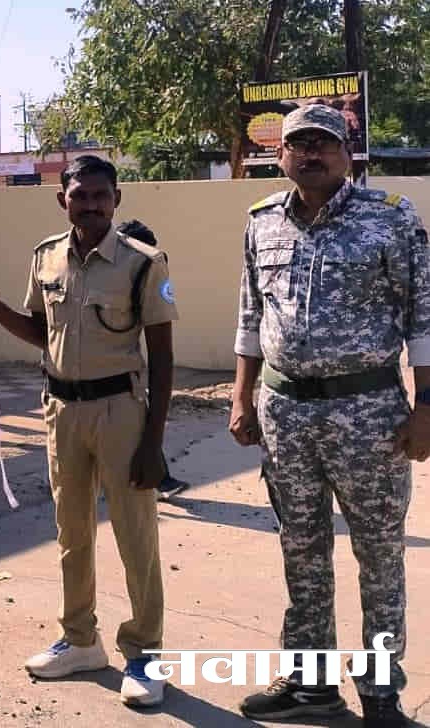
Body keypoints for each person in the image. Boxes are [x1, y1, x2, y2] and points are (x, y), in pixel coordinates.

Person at [0, 155, 176, 708]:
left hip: (120, 412)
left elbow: (163, 357)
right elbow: (39, 331)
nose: (91, 205)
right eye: (80, 196)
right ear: (63, 200)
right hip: (62, 410)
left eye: (101, 195)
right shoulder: (45, 257)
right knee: (72, 533)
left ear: (116, 199)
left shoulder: (143, 262)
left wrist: (154, 442)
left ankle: (145, 654)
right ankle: (80, 640)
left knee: (136, 537)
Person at [231, 105, 428, 728]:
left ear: (348, 153)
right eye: (299, 143)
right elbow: (251, 317)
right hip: (286, 414)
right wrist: (241, 396)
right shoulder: (262, 221)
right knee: (302, 551)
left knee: (379, 555)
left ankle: (381, 695)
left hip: (368, 415)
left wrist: (426, 409)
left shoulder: (390, 219)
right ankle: (310, 686)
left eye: (324, 142)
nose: (311, 153)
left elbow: (423, 320)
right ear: (281, 154)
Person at [115, 220, 190, 500]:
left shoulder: (148, 267)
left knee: (145, 421)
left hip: (129, 369)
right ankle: (160, 480)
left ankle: (161, 479)